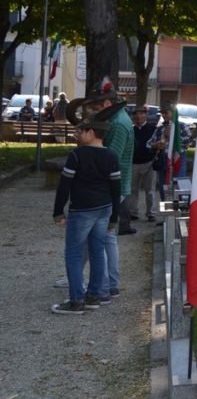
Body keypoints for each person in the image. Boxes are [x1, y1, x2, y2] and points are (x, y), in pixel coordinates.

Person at [51, 116, 120, 314]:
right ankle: (94, 296)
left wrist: (58, 212)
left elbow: (64, 185)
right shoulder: (112, 156)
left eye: (81, 131)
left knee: (73, 253)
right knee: (97, 250)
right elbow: (115, 189)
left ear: (91, 132)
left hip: (82, 210)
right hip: (104, 208)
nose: (78, 135)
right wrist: (114, 217)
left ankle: (76, 300)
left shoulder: (77, 155)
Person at [148, 105, 194, 195]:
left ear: (173, 114)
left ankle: (178, 206)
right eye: (162, 114)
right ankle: (166, 204)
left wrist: (173, 137)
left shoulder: (182, 126)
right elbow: (148, 144)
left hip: (178, 159)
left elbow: (189, 142)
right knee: (164, 186)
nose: (164, 115)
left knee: (178, 185)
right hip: (163, 160)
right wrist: (156, 144)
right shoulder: (160, 128)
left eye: (166, 113)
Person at [130, 108, 157, 222]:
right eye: (136, 114)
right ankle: (133, 212)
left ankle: (151, 213)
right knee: (133, 189)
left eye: (141, 114)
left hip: (149, 162)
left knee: (149, 189)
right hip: (134, 163)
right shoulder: (130, 130)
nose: (139, 116)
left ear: (146, 115)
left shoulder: (153, 129)